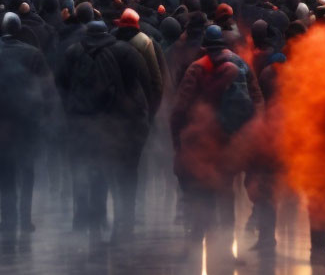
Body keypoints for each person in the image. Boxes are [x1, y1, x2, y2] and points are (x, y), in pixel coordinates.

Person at [57, 20, 159, 242]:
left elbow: (61, 87)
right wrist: (145, 116)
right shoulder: (127, 52)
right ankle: (125, 225)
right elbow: (147, 84)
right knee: (126, 177)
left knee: (95, 174)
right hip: (124, 125)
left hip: (87, 125)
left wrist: (73, 117)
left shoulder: (73, 53)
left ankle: (95, 224)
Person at [170, 25, 263, 261]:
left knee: (200, 197)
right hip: (231, 143)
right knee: (226, 196)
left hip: (203, 143)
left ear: (205, 46)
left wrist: (178, 141)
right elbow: (257, 100)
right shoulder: (241, 65)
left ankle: (193, 249)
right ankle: (227, 252)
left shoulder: (197, 67)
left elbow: (180, 108)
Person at [0, 12, 55, 235]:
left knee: (6, 172)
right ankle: (25, 219)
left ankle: (8, 219)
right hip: (28, 121)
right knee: (27, 171)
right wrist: (45, 116)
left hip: (2, 121)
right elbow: (47, 89)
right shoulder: (33, 53)